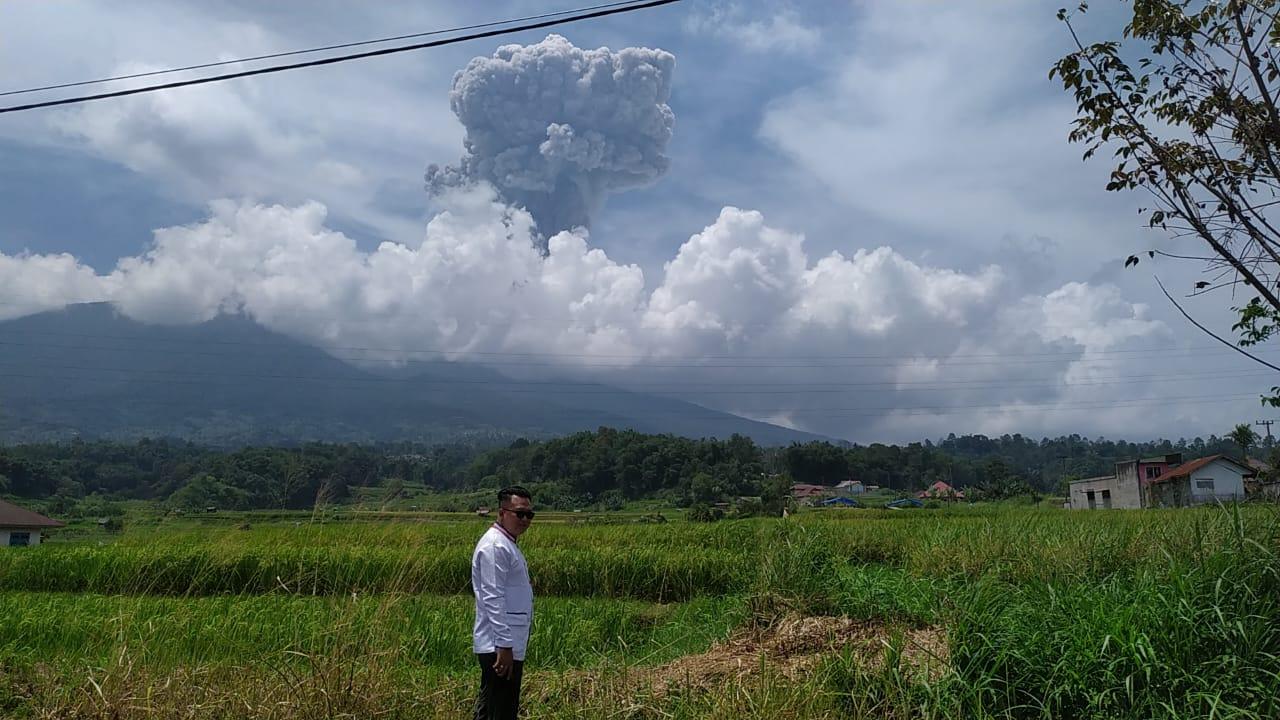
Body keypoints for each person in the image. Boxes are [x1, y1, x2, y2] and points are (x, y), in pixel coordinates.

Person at [471, 486, 535, 720]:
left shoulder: (507, 543)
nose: (525, 520)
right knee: (501, 712)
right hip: (499, 647)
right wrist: (505, 645)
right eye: (519, 514)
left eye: (529, 515)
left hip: (505, 643)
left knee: (492, 710)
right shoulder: (495, 546)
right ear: (502, 512)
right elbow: (493, 596)